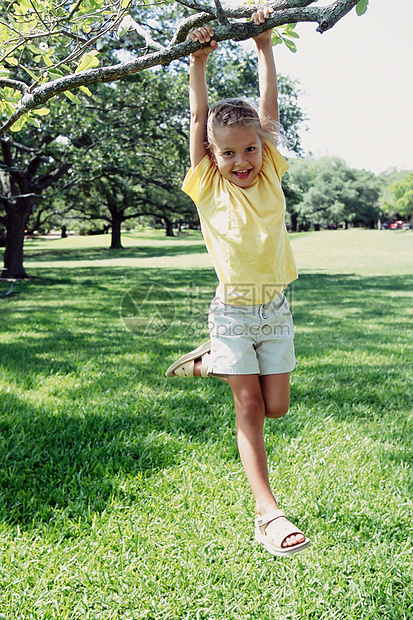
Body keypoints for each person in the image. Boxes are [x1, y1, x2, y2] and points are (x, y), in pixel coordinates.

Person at [166, 8, 310, 557]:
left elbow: (268, 113)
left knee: (277, 408)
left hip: (275, 311)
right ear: (213, 155)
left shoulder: (271, 172)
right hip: (231, 311)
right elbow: (199, 116)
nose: (241, 159)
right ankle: (266, 513)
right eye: (228, 151)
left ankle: (208, 362)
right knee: (248, 405)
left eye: (249, 148)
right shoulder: (208, 185)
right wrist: (197, 62)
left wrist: (264, 48)